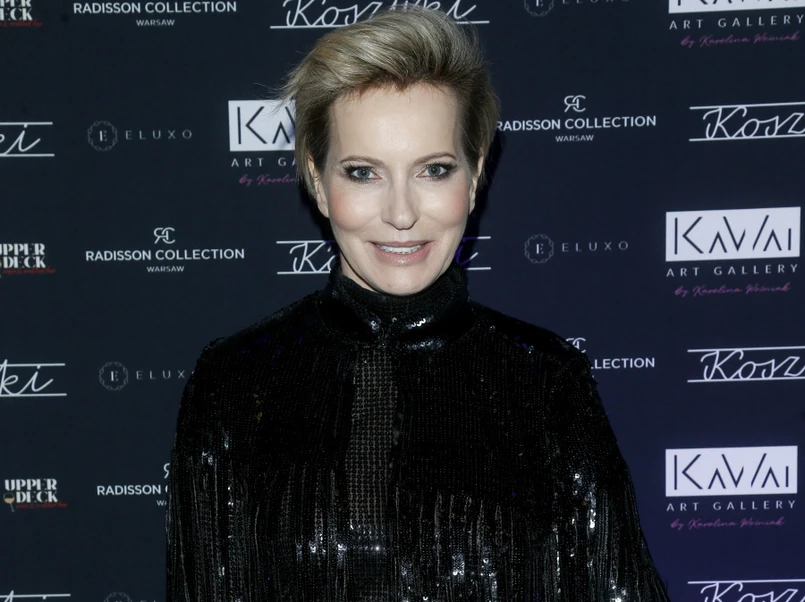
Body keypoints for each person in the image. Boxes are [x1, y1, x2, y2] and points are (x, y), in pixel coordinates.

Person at [165, 7, 670, 602]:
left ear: (474, 175)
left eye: (433, 170)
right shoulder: (234, 382)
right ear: (318, 182)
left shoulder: (545, 383)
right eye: (363, 173)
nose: (401, 214)